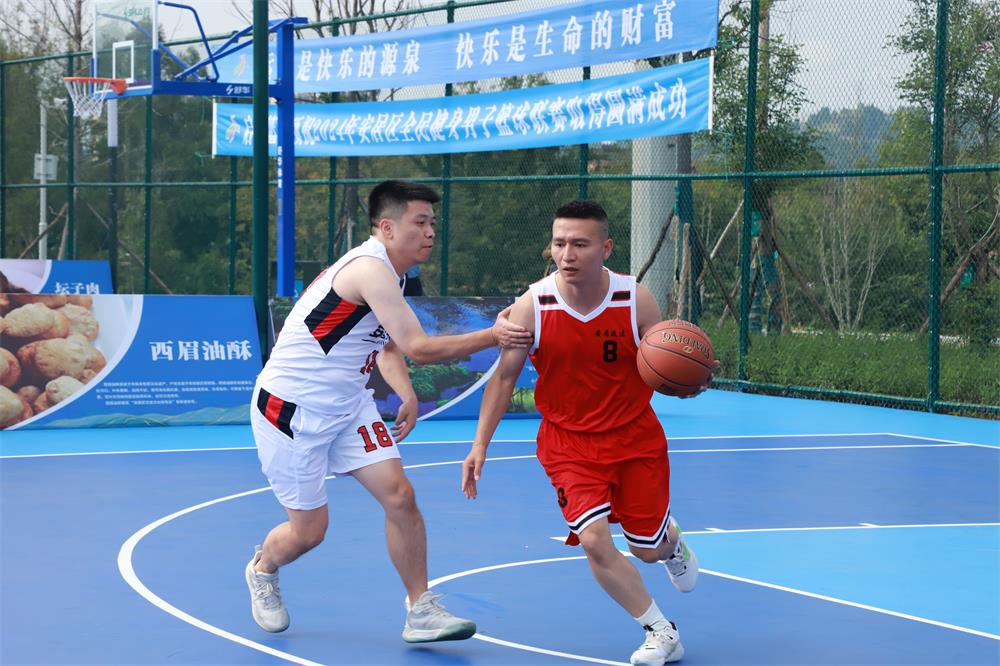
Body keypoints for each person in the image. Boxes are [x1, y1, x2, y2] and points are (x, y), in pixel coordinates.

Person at [246, 179, 532, 643]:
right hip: (290, 410)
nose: (430, 232)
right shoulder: (370, 270)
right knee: (309, 532)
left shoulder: (394, 275)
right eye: (420, 222)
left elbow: (388, 345)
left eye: (432, 223)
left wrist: (407, 393)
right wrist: (493, 334)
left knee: (400, 496)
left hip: (347, 406)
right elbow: (419, 347)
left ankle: (420, 610)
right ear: (387, 227)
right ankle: (263, 567)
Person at [461, 200, 712, 666]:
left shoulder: (635, 299)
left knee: (646, 548)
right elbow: (504, 378)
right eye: (559, 244)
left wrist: (689, 379)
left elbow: (666, 360)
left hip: (634, 438)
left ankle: (670, 543)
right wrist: (479, 445)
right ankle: (661, 631)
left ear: (606, 248)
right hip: (568, 444)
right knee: (595, 541)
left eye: (579, 244)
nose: (567, 254)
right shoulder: (533, 305)